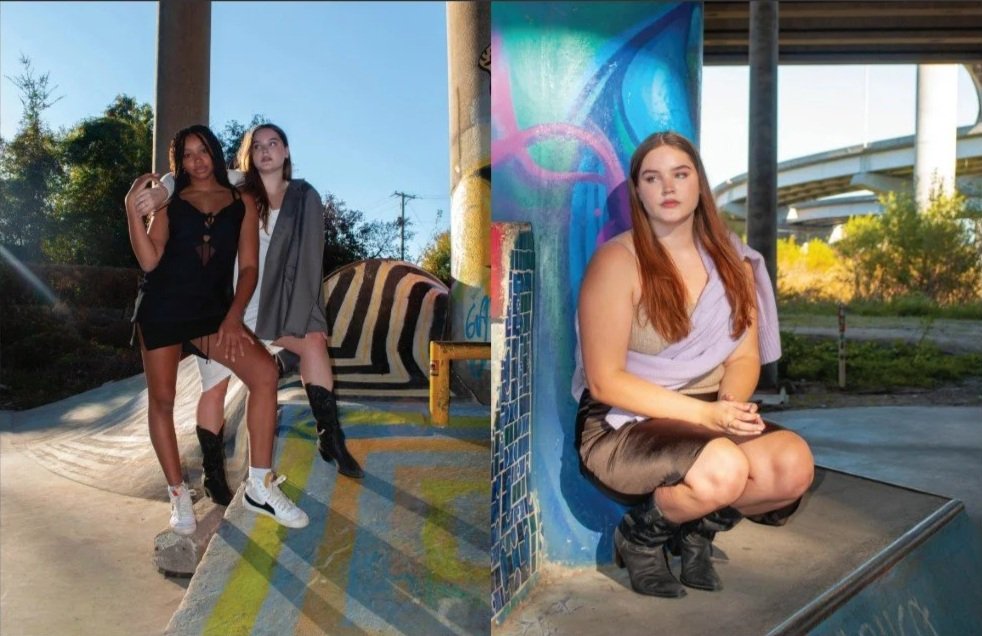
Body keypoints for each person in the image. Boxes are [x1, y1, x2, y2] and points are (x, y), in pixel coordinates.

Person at [573, 131, 814, 598]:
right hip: (625, 421)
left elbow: (743, 357)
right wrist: (708, 419)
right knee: (723, 466)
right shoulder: (617, 261)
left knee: (792, 466)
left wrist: (727, 408)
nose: (668, 187)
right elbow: (605, 381)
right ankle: (642, 538)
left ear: (699, 185)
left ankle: (697, 529)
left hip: (707, 409)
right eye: (653, 177)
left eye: (680, 174)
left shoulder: (733, 261)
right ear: (638, 191)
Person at [132, 123, 363, 510]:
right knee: (202, 390)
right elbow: (181, 179)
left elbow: (287, 262)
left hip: (247, 305)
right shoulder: (238, 185)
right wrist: (150, 198)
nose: (266, 151)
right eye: (257, 146)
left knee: (298, 351)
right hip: (196, 305)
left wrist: (283, 311)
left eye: (274, 144)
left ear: (286, 151)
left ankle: (324, 439)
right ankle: (200, 482)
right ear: (246, 155)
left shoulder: (296, 197)